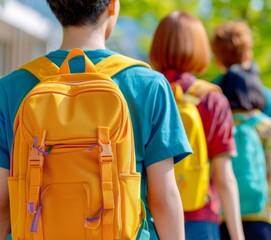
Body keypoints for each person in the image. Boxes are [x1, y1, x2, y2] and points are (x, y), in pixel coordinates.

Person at [0, 1, 192, 239]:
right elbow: (163, 199)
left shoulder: (10, 88)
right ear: (112, 5)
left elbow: (2, 200)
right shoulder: (149, 85)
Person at [149, 11, 244, 240]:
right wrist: (238, 235)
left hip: (149, 219)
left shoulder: (144, 91)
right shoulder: (211, 100)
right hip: (200, 218)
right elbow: (224, 177)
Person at [211, 21, 271, 240]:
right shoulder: (267, 97)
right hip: (259, 207)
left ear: (218, 57)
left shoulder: (210, 93)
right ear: (247, 53)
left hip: (220, 207)